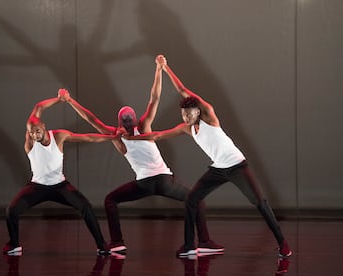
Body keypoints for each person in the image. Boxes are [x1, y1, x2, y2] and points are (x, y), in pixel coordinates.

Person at [124, 56, 292, 258]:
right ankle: (189, 246)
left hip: (237, 165)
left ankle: (283, 244)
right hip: (218, 169)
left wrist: (165, 68)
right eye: (183, 114)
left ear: (197, 111)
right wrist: (135, 138)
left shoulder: (210, 116)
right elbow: (158, 135)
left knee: (259, 203)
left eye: (189, 114)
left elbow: (183, 90)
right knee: (191, 200)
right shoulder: (187, 128)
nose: (186, 117)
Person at [60, 55, 223, 256]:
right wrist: (158, 69)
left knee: (111, 200)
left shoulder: (115, 135)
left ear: (120, 123)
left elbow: (91, 119)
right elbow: (154, 98)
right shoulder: (143, 127)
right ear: (134, 120)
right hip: (164, 180)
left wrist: (69, 101)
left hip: (144, 184)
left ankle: (117, 242)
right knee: (197, 200)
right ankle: (204, 241)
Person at [3, 89, 119, 256]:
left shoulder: (59, 137)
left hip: (60, 186)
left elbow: (88, 138)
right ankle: (14, 245)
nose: (34, 135)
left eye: (37, 131)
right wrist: (58, 100)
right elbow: (37, 108)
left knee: (86, 207)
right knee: (11, 210)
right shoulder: (30, 142)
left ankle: (102, 246)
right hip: (37, 187)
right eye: (31, 132)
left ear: (44, 126)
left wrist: (111, 138)